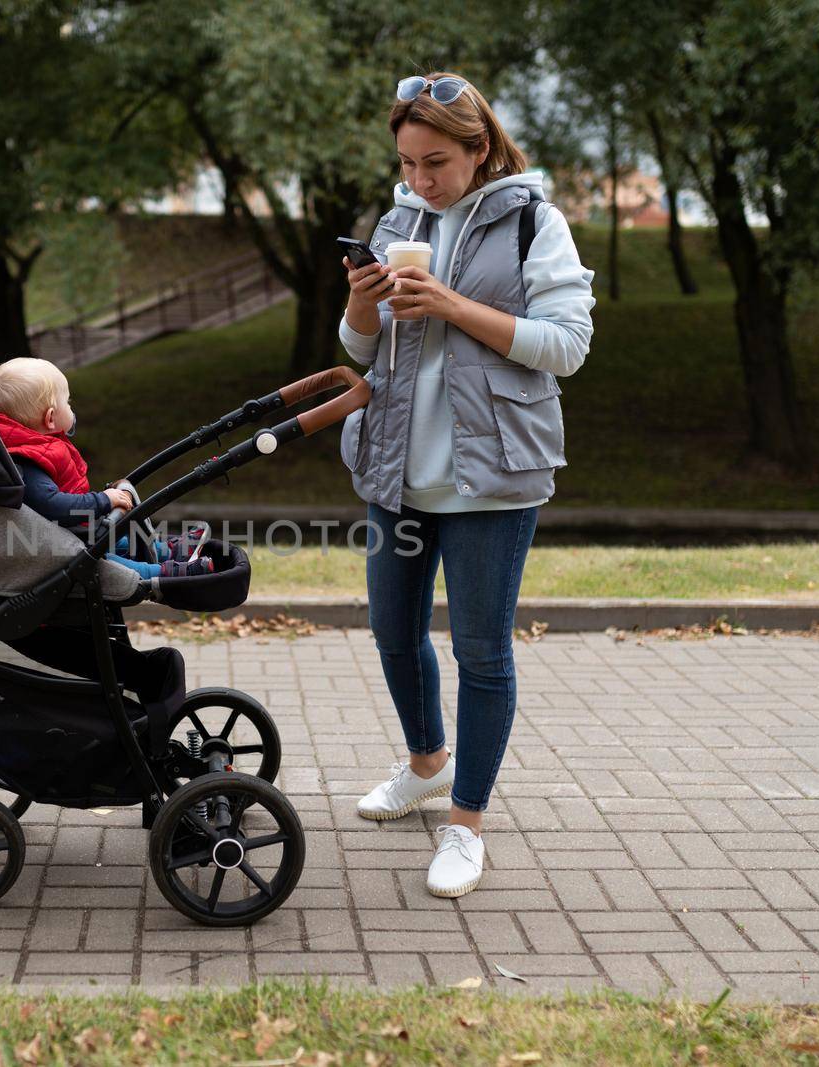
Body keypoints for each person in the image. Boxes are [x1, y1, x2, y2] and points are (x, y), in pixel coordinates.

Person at [337, 73, 594, 898]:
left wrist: (450, 304)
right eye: (407, 164)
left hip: (493, 479)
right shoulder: (398, 221)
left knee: (481, 653)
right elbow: (359, 351)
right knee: (392, 632)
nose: (418, 181)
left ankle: (466, 821)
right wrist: (362, 304)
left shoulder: (531, 222)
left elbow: (566, 345)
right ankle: (425, 763)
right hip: (396, 472)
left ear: (479, 148)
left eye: (435, 162)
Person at [0, 357, 212, 580]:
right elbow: (53, 505)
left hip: (75, 533)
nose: (71, 407)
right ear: (50, 417)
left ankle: (168, 553)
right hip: (65, 544)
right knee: (114, 566)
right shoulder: (27, 462)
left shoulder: (31, 447)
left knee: (120, 541)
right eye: (68, 402)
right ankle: (164, 574)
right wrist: (103, 500)